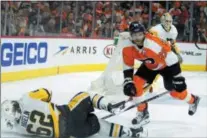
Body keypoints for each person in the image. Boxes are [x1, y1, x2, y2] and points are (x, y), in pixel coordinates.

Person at [122, 21, 200, 126]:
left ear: (144, 33)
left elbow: (172, 58)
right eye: (134, 35)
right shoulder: (127, 47)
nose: (137, 38)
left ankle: (193, 100)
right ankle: (142, 111)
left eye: (140, 34)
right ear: (131, 35)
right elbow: (128, 65)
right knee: (135, 86)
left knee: (175, 92)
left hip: (166, 66)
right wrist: (128, 80)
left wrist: (178, 78)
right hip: (149, 65)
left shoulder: (153, 44)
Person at [1, 88, 147, 138]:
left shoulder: (21, 129)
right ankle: (110, 106)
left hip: (72, 133)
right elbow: (47, 93)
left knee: (99, 126)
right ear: (14, 104)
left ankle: (130, 133)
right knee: (86, 96)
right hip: (69, 113)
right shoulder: (26, 99)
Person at [148, 12, 183, 92]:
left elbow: (173, 43)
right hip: (156, 51)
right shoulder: (155, 30)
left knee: (174, 66)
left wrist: (177, 53)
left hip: (166, 51)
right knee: (155, 67)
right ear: (162, 21)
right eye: (166, 21)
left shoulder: (174, 30)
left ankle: (175, 81)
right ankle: (151, 82)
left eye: (170, 21)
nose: (168, 23)